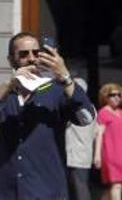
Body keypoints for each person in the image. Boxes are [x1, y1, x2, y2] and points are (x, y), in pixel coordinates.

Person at [0, 31, 96, 199]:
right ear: (11, 60)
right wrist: (9, 85)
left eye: (36, 53)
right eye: (23, 54)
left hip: (47, 191)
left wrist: (65, 77)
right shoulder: (5, 95)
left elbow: (86, 117)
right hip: (9, 192)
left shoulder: (56, 91)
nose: (31, 58)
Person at [95, 82, 122, 200]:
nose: (117, 97)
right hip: (111, 154)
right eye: (113, 95)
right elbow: (99, 134)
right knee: (116, 185)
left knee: (119, 185)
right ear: (105, 97)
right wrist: (97, 155)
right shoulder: (103, 112)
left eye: (119, 95)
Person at [66, 76, 99, 200]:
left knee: (79, 191)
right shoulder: (92, 109)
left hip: (74, 156)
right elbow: (97, 132)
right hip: (82, 156)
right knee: (79, 189)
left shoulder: (73, 108)